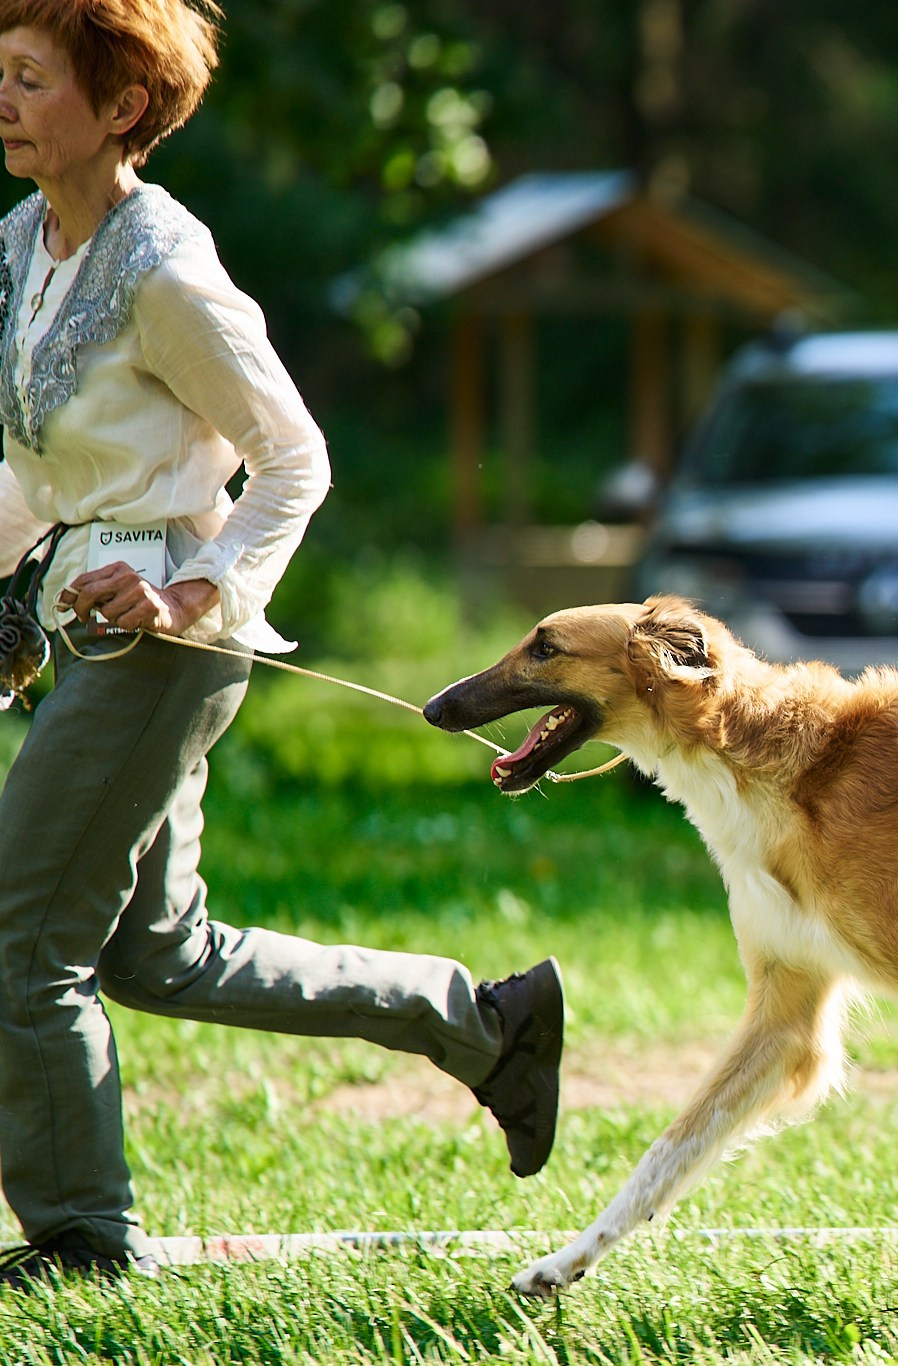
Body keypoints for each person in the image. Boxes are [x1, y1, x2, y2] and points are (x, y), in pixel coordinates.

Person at [0, 0, 562, 1288]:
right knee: (157, 954)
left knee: (24, 945)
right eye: (1, 73)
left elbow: (294, 461)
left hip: (169, 653)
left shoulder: (167, 271)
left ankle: (81, 1243)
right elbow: (41, 474)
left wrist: (194, 594)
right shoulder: (22, 248)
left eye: (33, 79)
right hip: (82, 627)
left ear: (121, 108)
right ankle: (484, 1024)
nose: (7, 99)